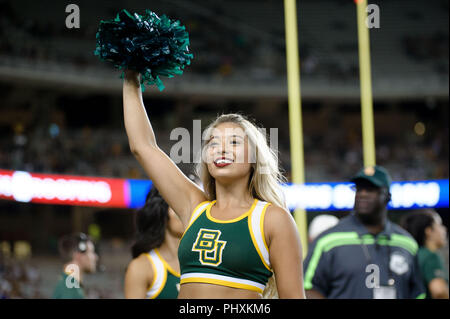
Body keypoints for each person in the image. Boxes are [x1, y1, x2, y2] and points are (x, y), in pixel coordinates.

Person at [123, 70, 305, 299]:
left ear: (254, 158)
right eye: (213, 143)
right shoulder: (195, 207)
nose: (221, 148)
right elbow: (143, 146)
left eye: (235, 142)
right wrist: (131, 77)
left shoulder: (273, 219)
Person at [303, 165, 426, 299]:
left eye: (370, 189)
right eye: (359, 189)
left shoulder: (406, 243)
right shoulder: (328, 241)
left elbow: (418, 292)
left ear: (387, 196)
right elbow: (308, 287)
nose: (363, 194)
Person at [124, 186, 184, 299]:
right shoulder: (141, 268)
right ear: (161, 212)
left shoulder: (200, 263)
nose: (186, 213)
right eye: (177, 207)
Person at [401, 209, 449, 299]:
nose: (444, 229)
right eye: (440, 225)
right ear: (429, 231)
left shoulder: (408, 254)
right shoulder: (430, 256)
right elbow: (439, 292)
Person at [52, 233, 98, 299]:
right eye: (91, 252)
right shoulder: (72, 291)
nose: (96, 257)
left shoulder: (67, 285)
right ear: (78, 255)